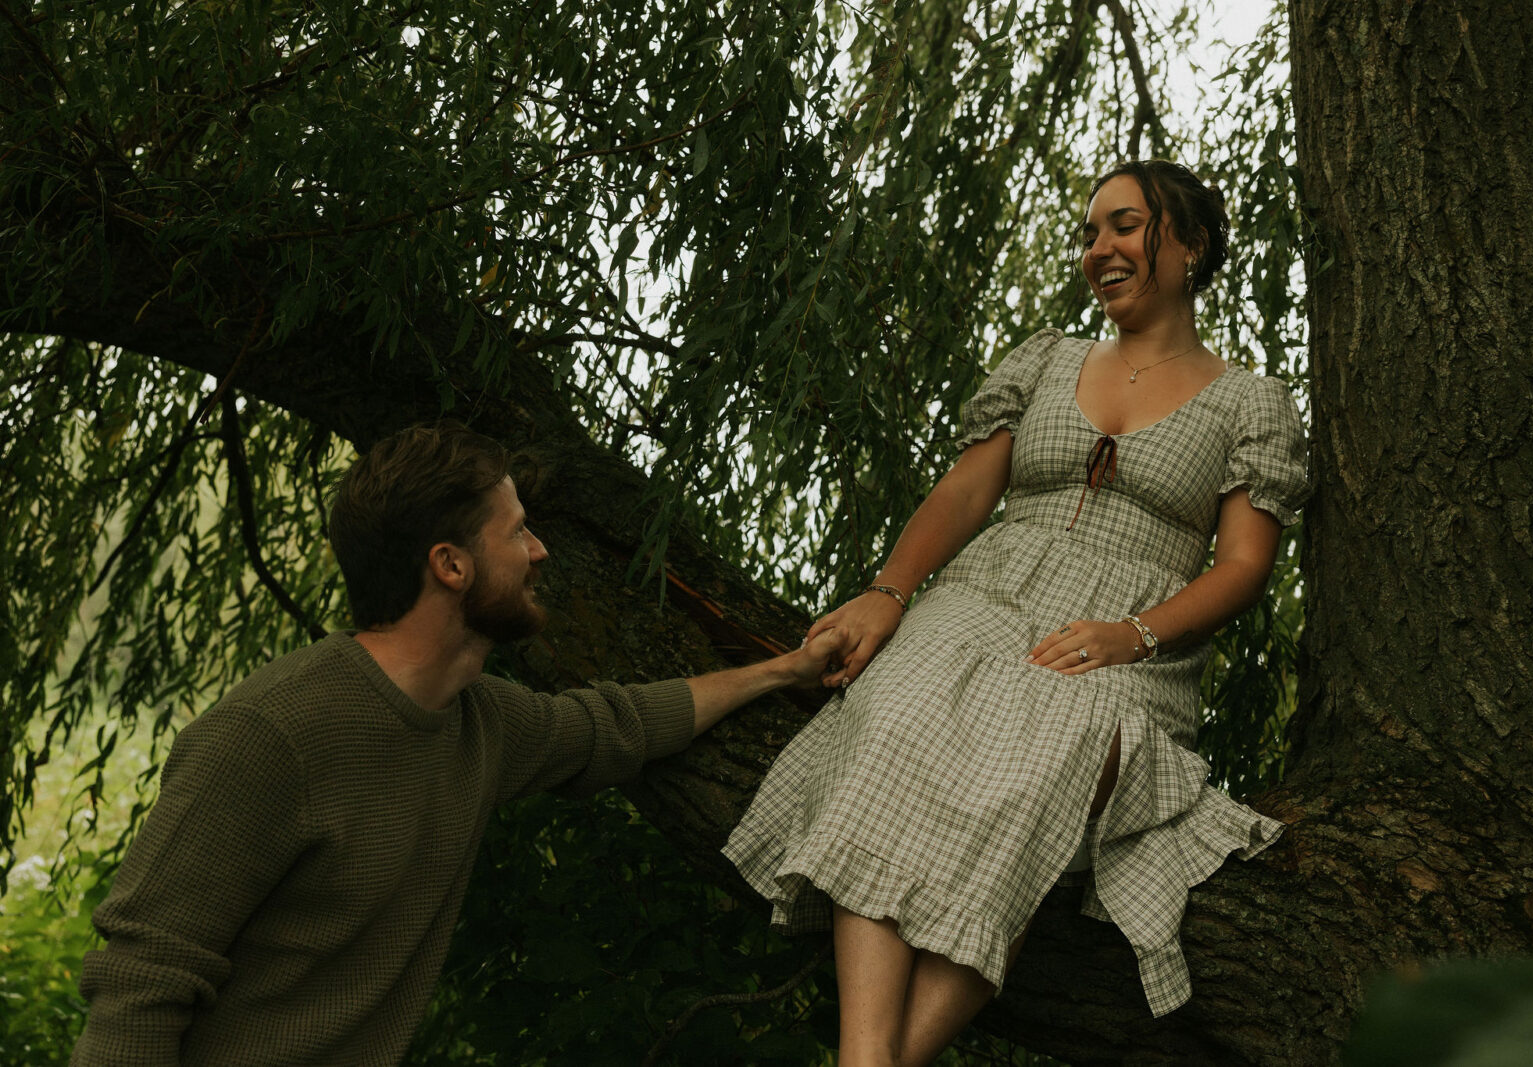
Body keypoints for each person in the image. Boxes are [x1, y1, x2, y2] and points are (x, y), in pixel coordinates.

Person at [723, 159, 1310, 1065]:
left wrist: (1134, 634)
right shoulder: (1047, 359)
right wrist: (888, 593)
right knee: (896, 709)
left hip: (1128, 641)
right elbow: (965, 494)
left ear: (1190, 246)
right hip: (988, 597)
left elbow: (1242, 567)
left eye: (1123, 226)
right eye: (1089, 233)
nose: (1098, 249)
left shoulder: (1250, 402)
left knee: (1053, 761)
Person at [71, 422, 840, 1066]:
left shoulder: (481, 723)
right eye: (518, 531)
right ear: (450, 564)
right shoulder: (271, 736)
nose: (539, 551)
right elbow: (141, 982)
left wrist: (783, 670)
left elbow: (620, 723)